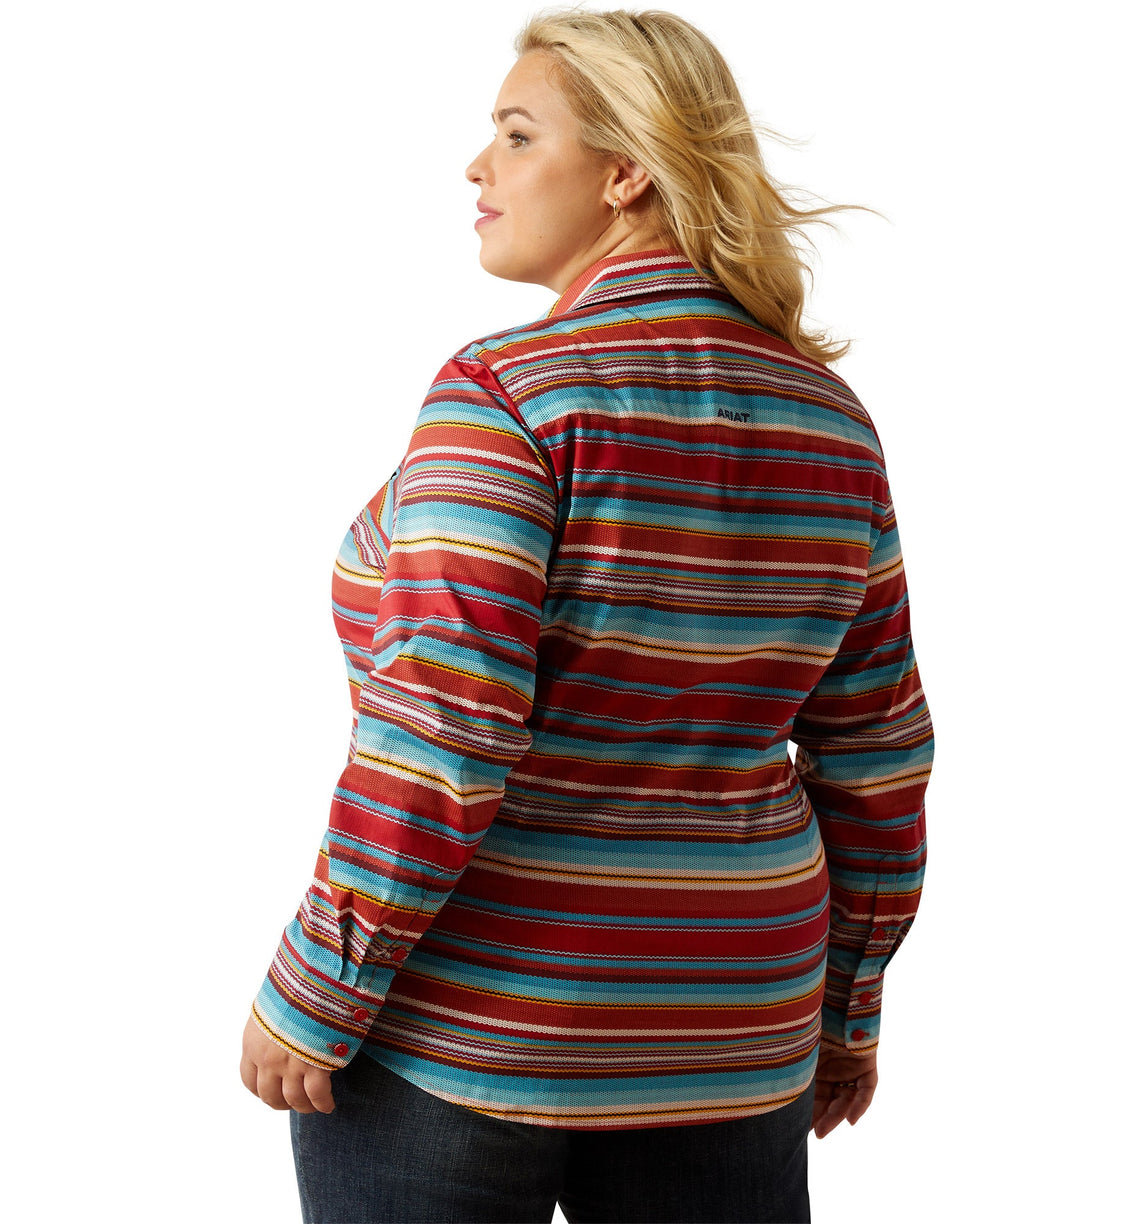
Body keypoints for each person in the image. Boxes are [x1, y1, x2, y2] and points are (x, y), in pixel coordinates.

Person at [240, 8, 932, 1222]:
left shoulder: (506, 397)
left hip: (484, 1023)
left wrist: (317, 984)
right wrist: (845, 1010)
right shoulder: (833, 421)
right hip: (737, 1024)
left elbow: (445, 729)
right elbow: (880, 753)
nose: (477, 168)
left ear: (626, 173)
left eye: (516, 136)